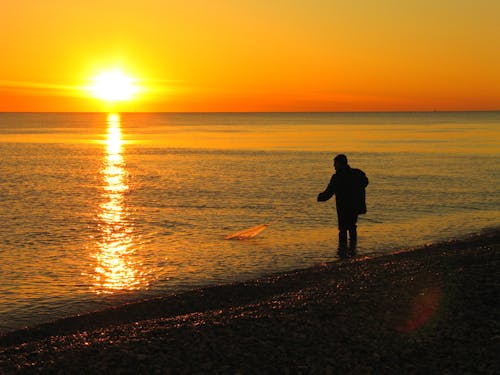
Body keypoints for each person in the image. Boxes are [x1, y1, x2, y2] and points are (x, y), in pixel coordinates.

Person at [317, 154, 368, 249]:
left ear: (340, 164)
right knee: (352, 226)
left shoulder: (337, 177)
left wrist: (320, 197)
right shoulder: (357, 173)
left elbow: (329, 191)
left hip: (343, 206)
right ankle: (353, 249)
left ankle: (342, 251)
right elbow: (365, 182)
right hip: (355, 205)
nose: (334, 166)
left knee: (343, 229)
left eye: (335, 163)